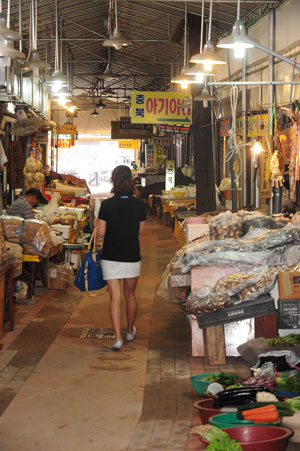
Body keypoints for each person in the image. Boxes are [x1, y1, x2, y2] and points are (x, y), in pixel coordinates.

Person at [94, 165, 146, 351]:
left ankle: (117, 339)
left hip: (111, 256)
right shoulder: (139, 204)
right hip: (131, 255)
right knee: (130, 295)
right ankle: (130, 330)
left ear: (113, 181)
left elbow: (100, 233)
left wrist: (97, 223)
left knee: (115, 298)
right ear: (131, 181)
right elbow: (140, 230)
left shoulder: (106, 205)